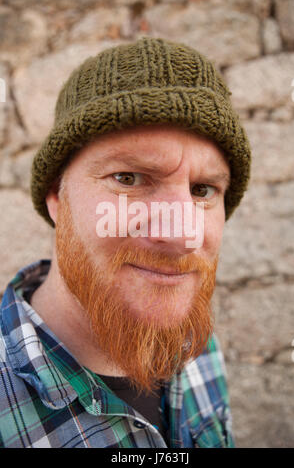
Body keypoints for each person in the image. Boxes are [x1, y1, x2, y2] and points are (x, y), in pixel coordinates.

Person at [0, 37, 251, 448]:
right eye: (128, 179)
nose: (180, 236)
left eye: (203, 190)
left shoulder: (196, 349)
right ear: (56, 197)